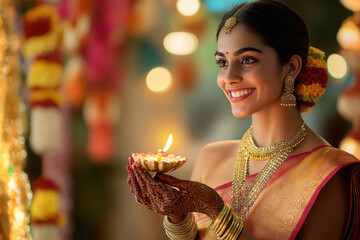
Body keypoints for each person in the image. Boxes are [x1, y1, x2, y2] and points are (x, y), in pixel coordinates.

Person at [126, 0, 360, 239]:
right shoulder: (211, 158)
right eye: (222, 62)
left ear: (291, 67)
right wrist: (178, 216)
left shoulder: (330, 174)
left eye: (247, 59)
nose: (229, 77)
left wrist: (216, 210)